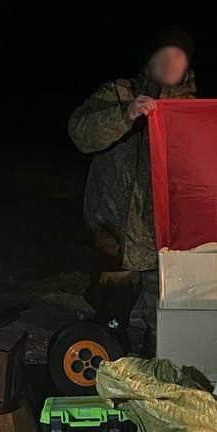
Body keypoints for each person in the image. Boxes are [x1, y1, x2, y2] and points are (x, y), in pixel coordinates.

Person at [68, 29, 197, 350]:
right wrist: (125, 115)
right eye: (164, 55)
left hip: (164, 237)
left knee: (165, 325)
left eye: (179, 57)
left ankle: (157, 368)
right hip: (114, 234)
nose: (170, 63)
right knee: (108, 323)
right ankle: (108, 367)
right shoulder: (118, 94)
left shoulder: (194, 109)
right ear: (149, 60)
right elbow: (80, 134)